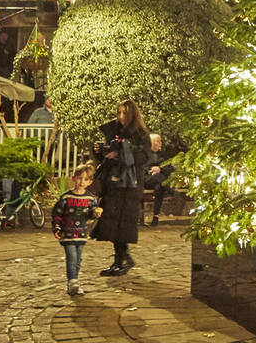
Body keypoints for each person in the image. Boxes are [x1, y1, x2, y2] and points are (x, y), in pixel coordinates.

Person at [91, 99, 151, 276]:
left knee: (122, 223)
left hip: (129, 184)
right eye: (119, 112)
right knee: (111, 222)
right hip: (113, 182)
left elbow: (144, 157)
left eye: (125, 113)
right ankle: (121, 258)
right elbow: (107, 156)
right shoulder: (114, 131)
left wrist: (122, 154)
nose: (121, 116)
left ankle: (122, 259)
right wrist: (100, 151)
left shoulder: (140, 134)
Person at [51, 163, 102, 295]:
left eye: (85, 179)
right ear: (74, 178)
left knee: (78, 259)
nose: (81, 182)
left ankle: (74, 281)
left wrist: (95, 214)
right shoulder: (66, 197)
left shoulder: (90, 199)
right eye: (79, 178)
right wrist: (56, 227)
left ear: (90, 182)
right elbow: (57, 213)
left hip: (82, 233)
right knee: (71, 257)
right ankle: (72, 281)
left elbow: (90, 217)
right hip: (67, 233)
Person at [144, 133, 176, 227]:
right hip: (147, 180)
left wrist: (160, 169)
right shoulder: (145, 154)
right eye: (158, 141)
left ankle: (155, 217)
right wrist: (151, 170)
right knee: (160, 180)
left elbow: (171, 169)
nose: (160, 143)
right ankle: (171, 190)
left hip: (158, 182)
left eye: (160, 141)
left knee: (159, 187)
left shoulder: (163, 155)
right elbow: (140, 168)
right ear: (152, 143)